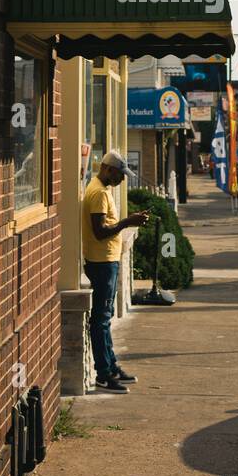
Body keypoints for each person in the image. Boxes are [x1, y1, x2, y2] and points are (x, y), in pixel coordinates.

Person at [82, 151, 149, 393]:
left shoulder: (101, 188)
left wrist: (127, 222)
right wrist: (126, 222)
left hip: (106, 260)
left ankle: (110, 366)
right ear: (109, 169)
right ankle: (103, 374)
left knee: (105, 317)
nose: (123, 180)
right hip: (101, 262)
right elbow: (99, 231)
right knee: (100, 320)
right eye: (121, 174)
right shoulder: (98, 192)